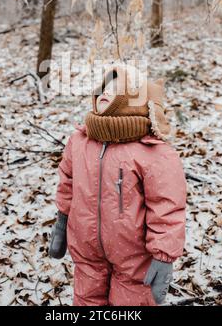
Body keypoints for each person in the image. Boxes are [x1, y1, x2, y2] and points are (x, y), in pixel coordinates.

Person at [49, 63, 187, 306]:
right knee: (86, 301)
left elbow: (167, 208)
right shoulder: (80, 141)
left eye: (116, 91)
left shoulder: (153, 153)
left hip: (134, 258)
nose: (105, 93)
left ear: (133, 101)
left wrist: (163, 256)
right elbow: (67, 183)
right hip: (86, 251)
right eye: (104, 89)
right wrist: (62, 222)